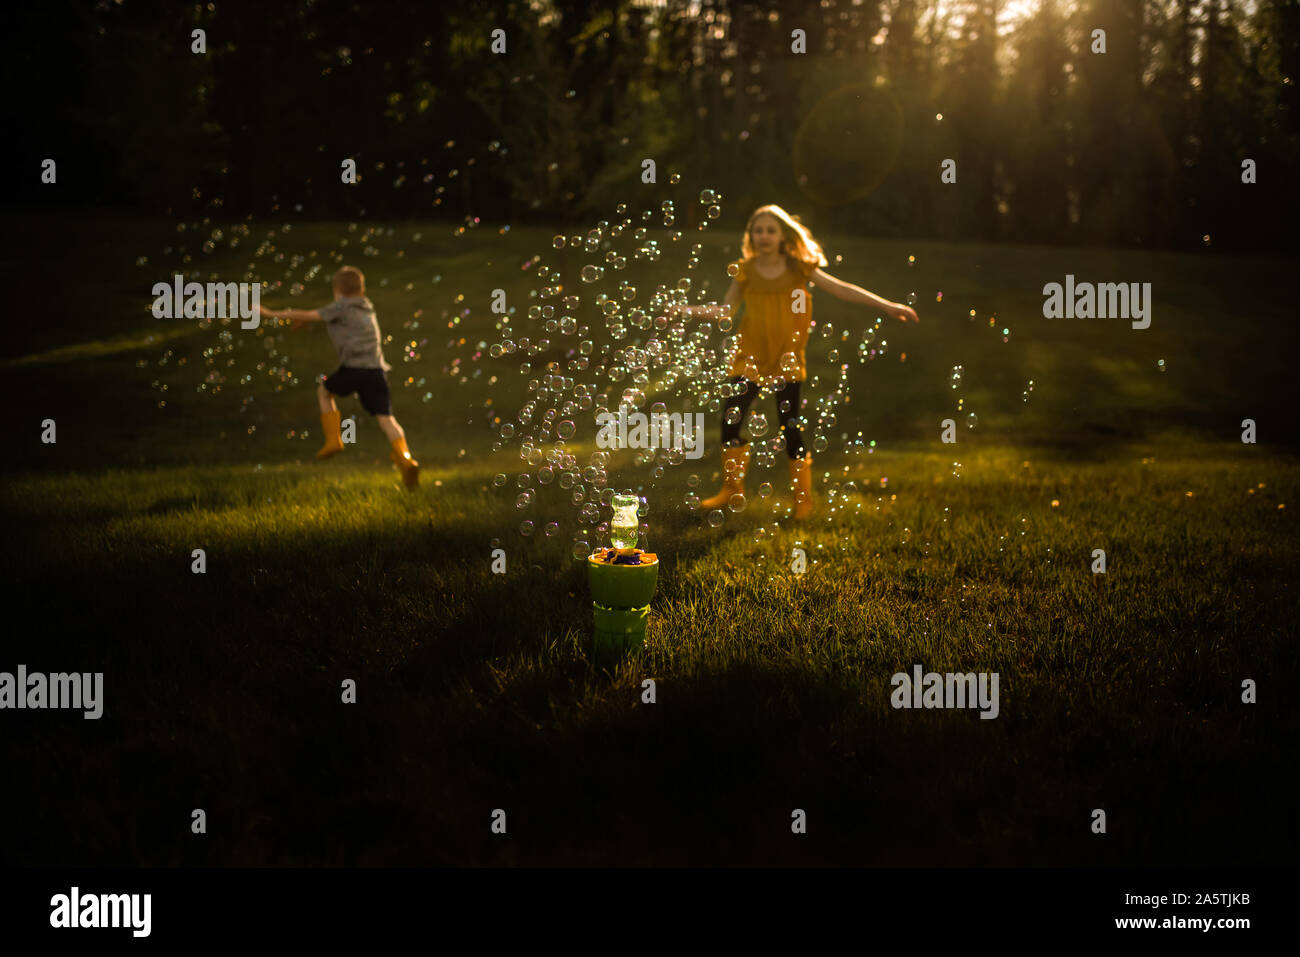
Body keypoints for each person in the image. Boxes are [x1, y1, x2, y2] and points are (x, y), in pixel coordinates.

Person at [674, 205, 918, 518]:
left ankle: (803, 500)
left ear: (783, 236)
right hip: (749, 356)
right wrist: (684, 311)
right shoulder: (745, 269)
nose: (763, 236)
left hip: (787, 358)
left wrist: (886, 305)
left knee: (790, 427)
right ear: (751, 236)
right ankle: (731, 490)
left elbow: (841, 289)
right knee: (730, 421)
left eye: (770, 230)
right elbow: (725, 311)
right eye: (758, 230)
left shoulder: (800, 267)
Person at [259, 266, 419, 489]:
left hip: (353, 369)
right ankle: (406, 459)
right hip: (376, 371)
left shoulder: (340, 307)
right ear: (361, 290)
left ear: (338, 291)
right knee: (387, 419)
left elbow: (308, 314)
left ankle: (334, 439)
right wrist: (319, 319)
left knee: (324, 392)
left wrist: (270, 314)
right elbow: (330, 317)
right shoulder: (367, 306)